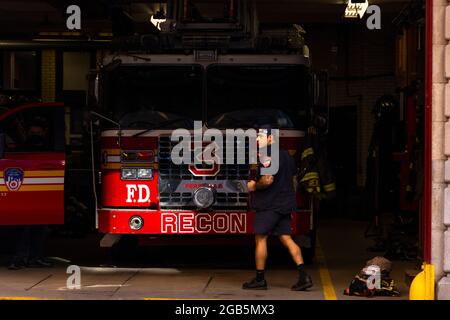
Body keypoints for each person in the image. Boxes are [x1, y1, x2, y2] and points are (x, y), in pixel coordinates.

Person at [242, 125, 313, 291]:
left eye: (260, 136)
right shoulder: (287, 155)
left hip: (269, 205)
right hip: (285, 204)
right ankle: (304, 276)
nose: (257, 139)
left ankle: (260, 279)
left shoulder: (267, 156)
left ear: (270, 139)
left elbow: (267, 180)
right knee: (287, 238)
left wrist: (254, 186)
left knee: (260, 239)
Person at [8, 117, 53, 270]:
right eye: (32, 133)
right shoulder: (22, 147)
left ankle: (35, 257)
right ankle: (20, 258)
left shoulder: (50, 147)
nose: (35, 136)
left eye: (38, 133)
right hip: (25, 193)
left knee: (40, 227)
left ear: (44, 133)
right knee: (23, 227)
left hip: (42, 192)